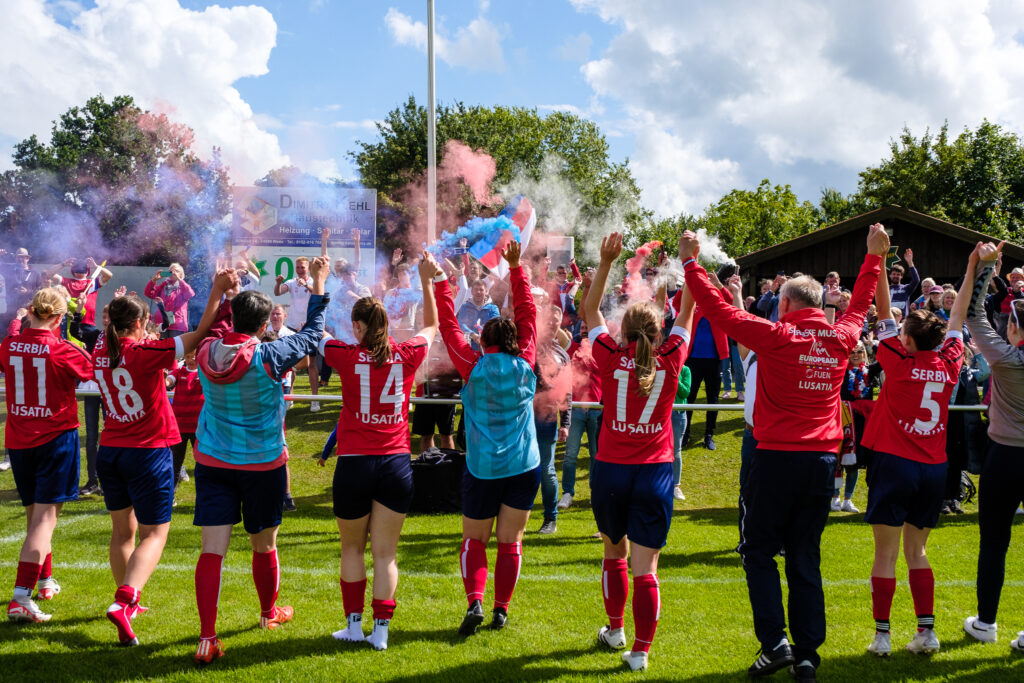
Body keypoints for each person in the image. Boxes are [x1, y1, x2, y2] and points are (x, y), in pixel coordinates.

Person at [681, 224, 888, 680]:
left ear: (788, 305)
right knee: (804, 556)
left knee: (758, 552)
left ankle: (775, 642)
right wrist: (874, 257)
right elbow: (859, 305)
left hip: (775, 458)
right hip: (822, 464)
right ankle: (808, 655)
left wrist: (691, 262)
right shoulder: (841, 337)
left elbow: (717, 309)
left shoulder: (777, 335)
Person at [190, 257, 328, 664]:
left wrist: (220, 291)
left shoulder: (205, 350)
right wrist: (319, 284)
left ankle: (207, 638)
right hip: (263, 464)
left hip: (214, 461)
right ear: (266, 323)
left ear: (233, 317)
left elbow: (209, 329)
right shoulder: (271, 354)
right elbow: (313, 334)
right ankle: (269, 614)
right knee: (264, 544)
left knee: (212, 551)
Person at [93, 270, 235, 646]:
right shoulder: (143, 353)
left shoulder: (99, 351)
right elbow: (199, 334)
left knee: (122, 533)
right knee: (155, 534)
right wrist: (217, 292)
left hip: (110, 450)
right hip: (148, 451)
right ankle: (125, 601)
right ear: (140, 324)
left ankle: (126, 604)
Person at [580, 232, 694, 673]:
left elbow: (589, 310)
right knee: (646, 568)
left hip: (611, 469)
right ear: (659, 330)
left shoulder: (610, 354)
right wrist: (688, 262)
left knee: (614, 554)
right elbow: (689, 310)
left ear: (623, 329)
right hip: (655, 471)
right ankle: (641, 652)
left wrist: (607, 261)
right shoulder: (672, 356)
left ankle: (615, 630)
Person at [317, 255, 438, 651]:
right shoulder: (407, 354)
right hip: (395, 463)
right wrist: (426, 282)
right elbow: (431, 326)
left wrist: (319, 283)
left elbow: (315, 330)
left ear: (358, 326)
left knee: (352, 548)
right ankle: (381, 633)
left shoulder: (344, 353)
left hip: (354, 463)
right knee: (385, 554)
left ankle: (354, 626)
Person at [433, 240, 540, 637]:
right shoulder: (525, 361)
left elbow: (448, 327)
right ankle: (501, 610)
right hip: (523, 465)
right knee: (510, 542)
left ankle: (475, 601)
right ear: (514, 341)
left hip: (482, 468)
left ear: (483, 341)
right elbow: (528, 315)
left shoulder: (472, 364)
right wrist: (516, 269)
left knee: (474, 540)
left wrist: (441, 283)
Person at [860, 259, 966, 657]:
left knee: (885, 553)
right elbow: (958, 315)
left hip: (894, 461)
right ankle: (927, 631)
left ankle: (882, 636)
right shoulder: (950, 361)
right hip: (933, 467)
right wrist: (974, 267)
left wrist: (878, 259)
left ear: (906, 339)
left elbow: (883, 309)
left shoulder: (896, 358)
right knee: (917, 551)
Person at [3, 288, 94, 623]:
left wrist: (19, 325)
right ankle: (21, 597)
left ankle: (44, 581)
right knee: (44, 520)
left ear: (31, 311)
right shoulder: (63, 348)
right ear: (58, 317)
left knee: (35, 517)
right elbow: (90, 369)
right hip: (55, 439)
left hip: (19, 440)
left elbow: (13, 348)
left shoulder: (9, 344)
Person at [960, 241, 1024, 653]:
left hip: (1005, 457)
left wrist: (984, 268)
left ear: (1016, 329)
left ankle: (986, 622)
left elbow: (972, 313)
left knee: (994, 542)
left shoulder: (1005, 359)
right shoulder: (1006, 356)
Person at [533, 305, 572, 534]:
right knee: (520, 468)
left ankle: (550, 518)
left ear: (560, 324)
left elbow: (567, 392)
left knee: (546, 469)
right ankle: (516, 516)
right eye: (549, 318)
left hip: (547, 418)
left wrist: (565, 423)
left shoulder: (562, 354)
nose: (552, 322)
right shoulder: (528, 345)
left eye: (556, 320)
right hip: (523, 414)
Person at [559, 317, 602, 510]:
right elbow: (560, 336)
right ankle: (567, 493)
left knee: (596, 455)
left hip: (596, 410)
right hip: (575, 409)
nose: (585, 330)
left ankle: (595, 491)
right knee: (570, 455)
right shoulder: (573, 348)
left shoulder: (603, 351)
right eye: (582, 327)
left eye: (588, 327)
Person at [274, 257, 320, 410]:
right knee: (290, 364)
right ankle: (289, 398)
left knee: (311, 364)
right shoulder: (292, 282)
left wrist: (306, 285)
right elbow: (278, 293)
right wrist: (278, 283)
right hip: (293, 327)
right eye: (298, 267)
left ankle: (315, 399)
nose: (300, 270)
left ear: (308, 269)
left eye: (302, 267)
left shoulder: (314, 282)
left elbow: (318, 294)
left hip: (309, 326)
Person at [166, 350, 204, 492]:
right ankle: (171, 495)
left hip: (198, 427)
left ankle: (203, 493)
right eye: (188, 357)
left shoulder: (204, 373)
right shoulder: (179, 372)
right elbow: (168, 381)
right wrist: (164, 379)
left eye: (194, 356)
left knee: (202, 463)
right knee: (175, 463)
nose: (191, 359)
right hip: (179, 426)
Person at [144, 264, 195, 338]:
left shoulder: (183, 287)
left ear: (181, 274)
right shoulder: (163, 285)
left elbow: (190, 294)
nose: (173, 272)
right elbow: (148, 293)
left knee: (175, 345)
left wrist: (179, 279)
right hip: (161, 323)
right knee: (160, 344)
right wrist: (154, 280)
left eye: (176, 271)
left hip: (177, 324)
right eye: (170, 271)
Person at [888, 249, 920, 317]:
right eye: (893, 274)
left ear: (901, 276)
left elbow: (916, 280)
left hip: (903, 321)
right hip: (889, 320)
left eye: (898, 274)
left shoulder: (906, 288)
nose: (895, 276)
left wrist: (910, 262)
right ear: (890, 275)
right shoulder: (885, 289)